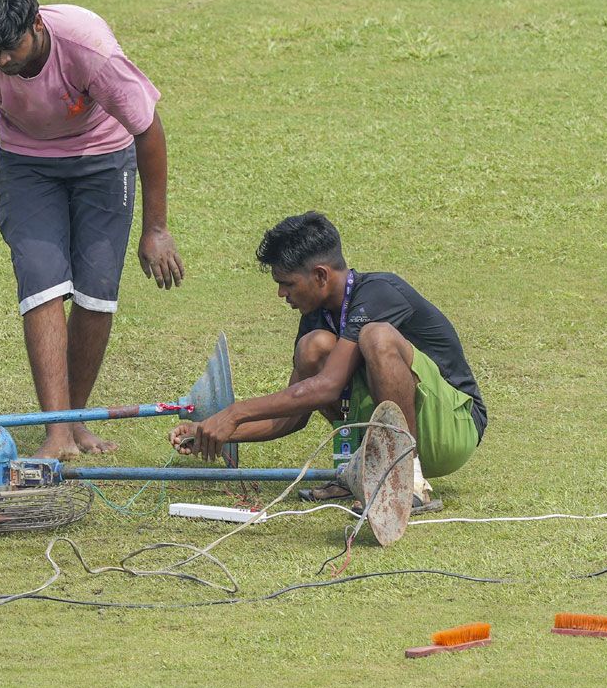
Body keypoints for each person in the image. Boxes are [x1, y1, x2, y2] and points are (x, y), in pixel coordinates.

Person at [0, 0, 184, 460]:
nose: (3, 61)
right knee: (41, 280)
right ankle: (58, 431)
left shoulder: (88, 47)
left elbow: (147, 128)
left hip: (104, 160)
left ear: (36, 23)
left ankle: (77, 420)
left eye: (10, 47)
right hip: (27, 167)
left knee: (97, 293)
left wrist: (156, 228)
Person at [169, 211, 487, 510]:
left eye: (288, 283)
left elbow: (327, 388)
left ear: (320, 275)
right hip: (400, 430)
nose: (281, 293)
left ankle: (409, 481)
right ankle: (361, 471)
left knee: (376, 337)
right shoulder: (315, 317)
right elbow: (293, 416)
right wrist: (211, 431)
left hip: (451, 427)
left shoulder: (380, 292)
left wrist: (235, 412)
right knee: (314, 347)